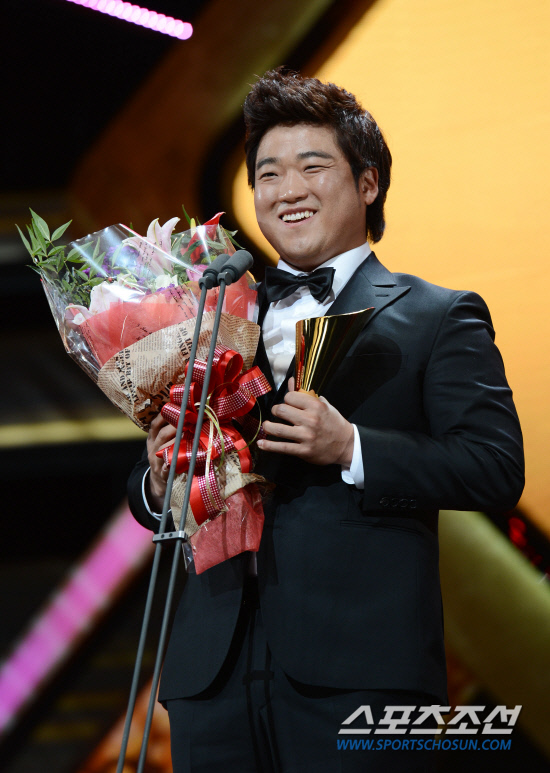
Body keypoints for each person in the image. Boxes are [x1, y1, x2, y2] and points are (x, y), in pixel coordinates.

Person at [127, 68, 524, 772]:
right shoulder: (214, 315)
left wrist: (352, 447)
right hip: (211, 677)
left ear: (368, 183)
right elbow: (149, 495)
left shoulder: (438, 315)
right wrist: (161, 479)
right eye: (268, 173)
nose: (287, 190)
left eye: (312, 167)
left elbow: (495, 468)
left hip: (361, 671)